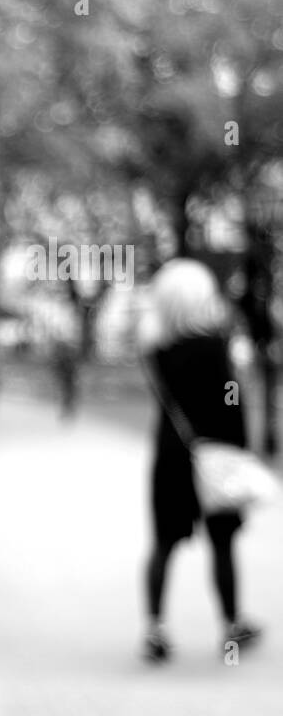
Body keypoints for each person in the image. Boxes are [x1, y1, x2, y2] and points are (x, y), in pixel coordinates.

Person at [142, 259, 261, 662]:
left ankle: (155, 630)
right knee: (223, 544)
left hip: (171, 454)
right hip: (214, 454)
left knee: (163, 543)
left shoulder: (156, 352)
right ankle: (231, 629)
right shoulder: (216, 346)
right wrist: (239, 431)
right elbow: (231, 398)